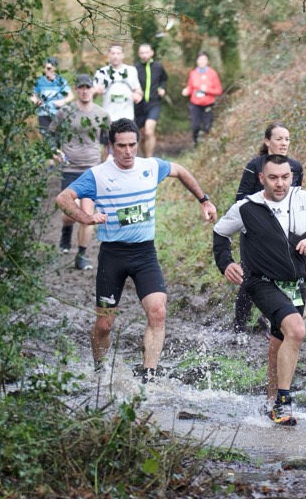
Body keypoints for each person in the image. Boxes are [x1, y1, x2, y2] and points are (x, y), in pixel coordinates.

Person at [55, 118, 217, 383]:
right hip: (113, 256)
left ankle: (148, 375)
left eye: (132, 145)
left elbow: (180, 171)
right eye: (122, 146)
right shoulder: (98, 175)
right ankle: (99, 371)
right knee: (104, 324)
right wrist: (86, 218)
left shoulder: (150, 167)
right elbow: (63, 198)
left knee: (158, 312)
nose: (128, 151)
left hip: (144, 255)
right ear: (111, 146)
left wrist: (204, 200)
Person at [213, 155, 306, 426]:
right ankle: (284, 404)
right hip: (260, 282)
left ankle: (270, 402)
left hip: (295, 285)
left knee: (279, 341)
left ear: (292, 177)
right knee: (296, 330)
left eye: (285, 177)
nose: (280, 184)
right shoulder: (247, 207)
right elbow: (220, 233)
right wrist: (226, 263)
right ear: (261, 178)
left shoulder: (305, 200)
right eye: (273, 178)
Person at [230, 123, 305, 337]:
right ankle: (239, 328)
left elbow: (297, 198)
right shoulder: (255, 165)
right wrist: (259, 216)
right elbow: (240, 198)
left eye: (287, 139)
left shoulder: (296, 167)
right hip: (256, 232)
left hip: (285, 232)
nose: (284, 143)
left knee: (288, 276)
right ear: (267, 141)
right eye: (279, 138)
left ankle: (278, 324)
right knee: (251, 276)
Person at [46, 73, 110, 270]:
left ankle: (81, 255)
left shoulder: (102, 114)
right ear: (76, 89)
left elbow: (109, 140)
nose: (84, 91)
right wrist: (55, 152)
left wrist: (108, 157)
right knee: (69, 214)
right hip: (70, 168)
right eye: (80, 87)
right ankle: (66, 231)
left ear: (93, 89)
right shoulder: (65, 112)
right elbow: (50, 134)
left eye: (87, 87)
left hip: (92, 170)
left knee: (87, 215)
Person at [92, 44, 142, 126]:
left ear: (123, 55)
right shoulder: (101, 72)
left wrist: (138, 95)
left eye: (118, 53)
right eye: (113, 53)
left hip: (128, 117)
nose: (115, 56)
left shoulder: (131, 70)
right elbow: (92, 96)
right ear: (109, 55)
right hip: (109, 117)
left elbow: (138, 90)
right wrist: (96, 91)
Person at [134, 43, 168, 158]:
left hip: (154, 103)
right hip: (139, 105)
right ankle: (145, 158)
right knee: (141, 135)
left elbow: (164, 79)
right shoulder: (135, 68)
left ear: (152, 53)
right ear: (139, 54)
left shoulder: (158, 66)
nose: (144, 55)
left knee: (149, 131)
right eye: (142, 53)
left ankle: (149, 159)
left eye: (146, 52)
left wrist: (162, 88)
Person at [182, 51, 222, 145]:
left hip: (208, 103)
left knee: (207, 127)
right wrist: (186, 90)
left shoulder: (212, 73)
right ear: (197, 61)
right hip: (195, 103)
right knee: (195, 126)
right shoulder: (193, 73)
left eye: (204, 59)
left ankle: (206, 146)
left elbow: (219, 91)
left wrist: (207, 90)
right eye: (200, 59)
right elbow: (190, 87)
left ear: (208, 61)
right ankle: (195, 143)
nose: (202, 61)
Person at [31, 57, 72, 132]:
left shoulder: (61, 81)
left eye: (49, 68)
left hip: (57, 115)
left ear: (55, 68)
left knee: (58, 137)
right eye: (45, 68)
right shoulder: (39, 81)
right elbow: (32, 95)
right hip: (43, 115)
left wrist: (63, 101)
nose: (46, 70)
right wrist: (36, 101)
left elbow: (71, 96)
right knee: (46, 137)